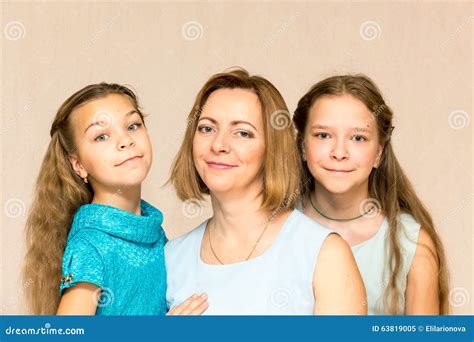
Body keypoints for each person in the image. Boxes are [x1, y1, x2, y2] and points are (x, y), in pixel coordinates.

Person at [166, 68, 367, 315]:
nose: (219, 145)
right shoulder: (171, 258)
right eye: (207, 128)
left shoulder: (324, 255)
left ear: (272, 149)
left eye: (242, 133)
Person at [22, 83, 206, 315]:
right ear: (78, 165)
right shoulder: (90, 245)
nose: (125, 141)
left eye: (133, 125)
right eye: (101, 136)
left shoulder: (152, 232)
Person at [293, 74, 449, 314]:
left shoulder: (411, 243)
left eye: (358, 138)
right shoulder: (271, 228)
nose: (339, 152)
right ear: (303, 146)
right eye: (323, 135)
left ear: (379, 152)